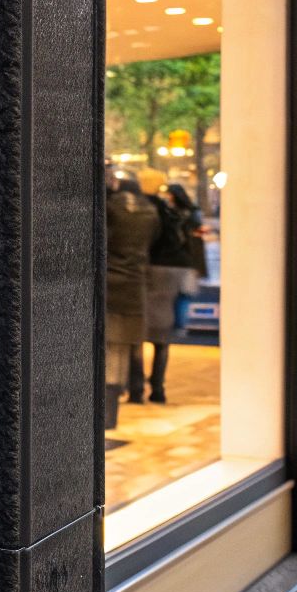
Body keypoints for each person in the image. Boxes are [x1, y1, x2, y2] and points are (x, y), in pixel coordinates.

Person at [105, 168, 159, 428]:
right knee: (126, 346)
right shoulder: (150, 213)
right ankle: (131, 393)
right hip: (135, 284)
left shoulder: (109, 207)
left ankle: (106, 413)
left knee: (108, 347)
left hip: (109, 283)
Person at [138, 174, 197, 404]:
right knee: (163, 335)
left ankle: (138, 386)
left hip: (157, 269)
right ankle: (157, 386)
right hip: (180, 268)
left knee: (141, 333)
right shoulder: (188, 214)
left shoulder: (156, 214)